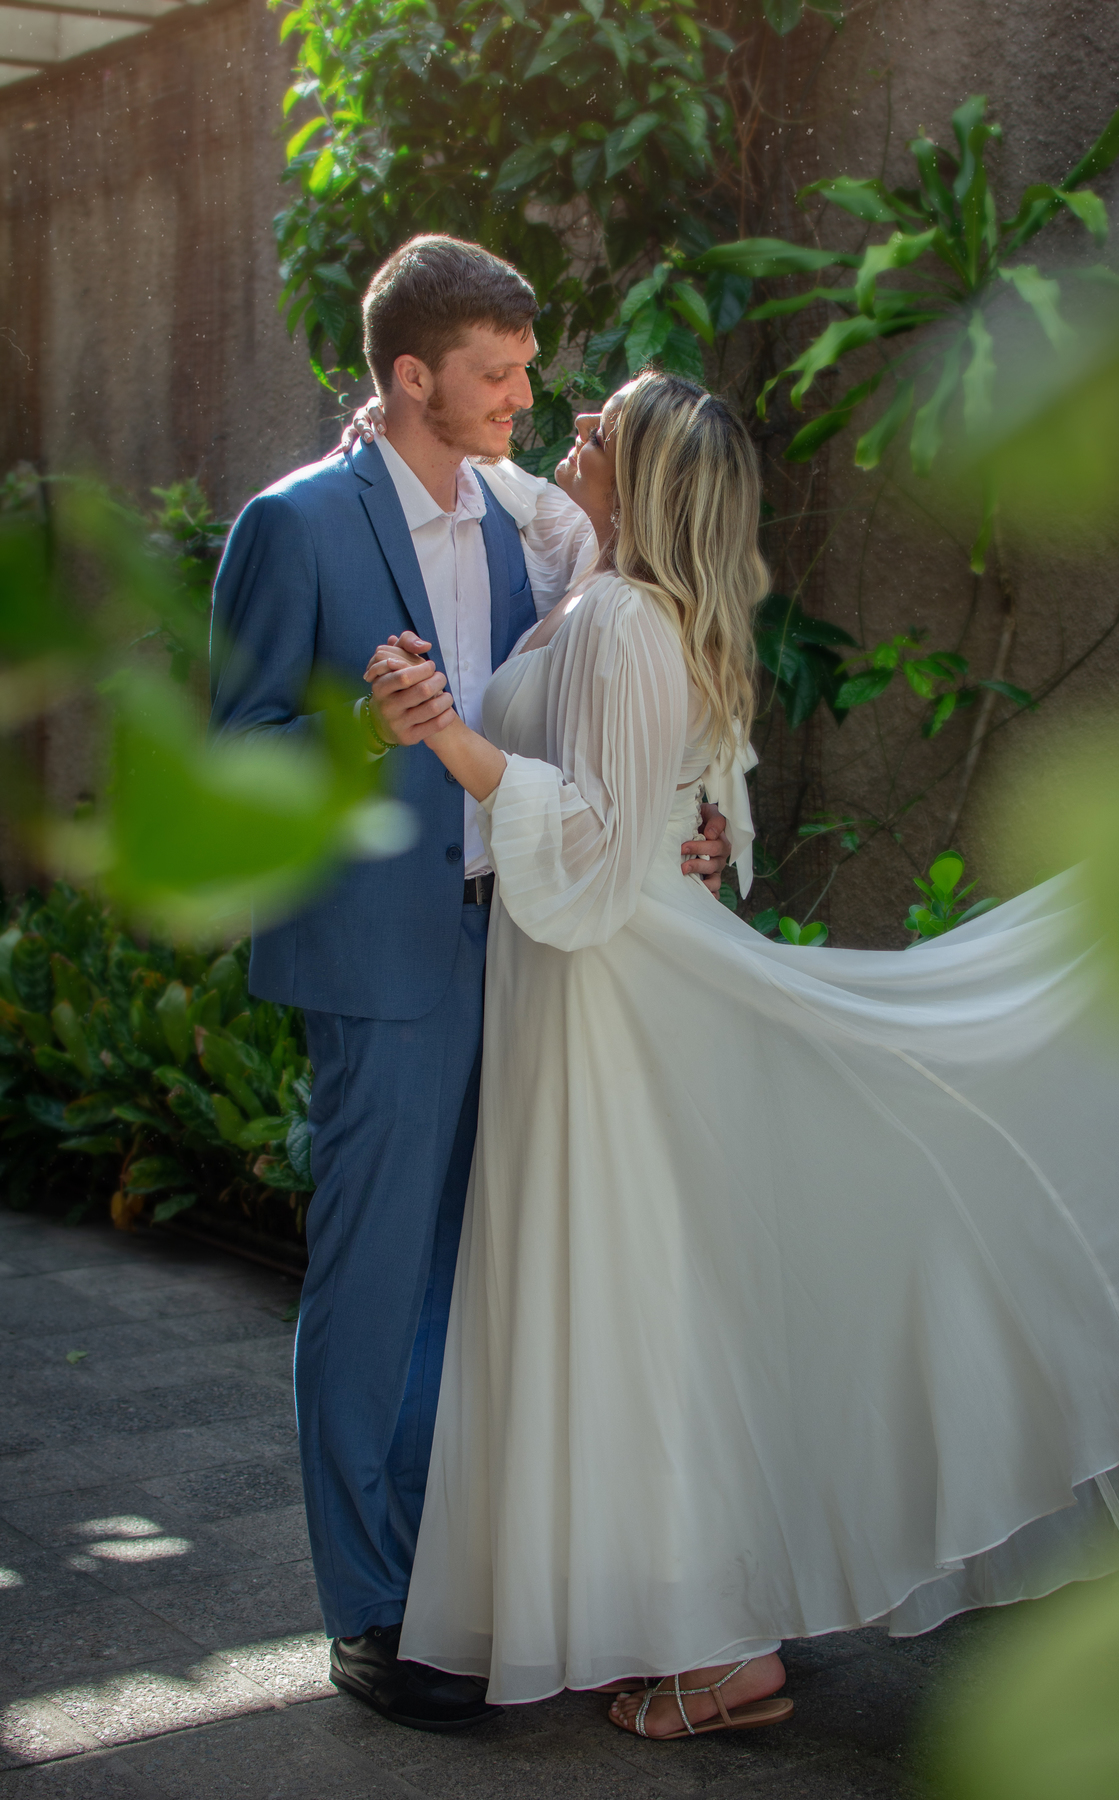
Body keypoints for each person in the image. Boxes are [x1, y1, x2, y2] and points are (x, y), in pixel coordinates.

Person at [364, 369, 1119, 1740]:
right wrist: (385, 427)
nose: (569, 434)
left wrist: (451, 735)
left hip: (612, 993)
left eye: (597, 431)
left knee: (643, 1300)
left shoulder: (624, 617)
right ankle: (663, 1619)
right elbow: (679, 790)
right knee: (627, 1297)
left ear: (640, 476)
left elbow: (601, 845)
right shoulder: (598, 583)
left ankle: (724, 1651)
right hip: (583, 982)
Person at [208, 237, 732, 1734]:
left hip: (525, 949)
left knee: (471, 1281)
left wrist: (679, 819)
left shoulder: (523, 525)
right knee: (376, 1285)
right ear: (411, 375)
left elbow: (596, 692)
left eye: (526, 370)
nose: (522, 397)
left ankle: (449, 1584)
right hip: (383, 964)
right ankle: (369, 1612)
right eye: (496, 374)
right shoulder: (292, 524)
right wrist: (358, 734)